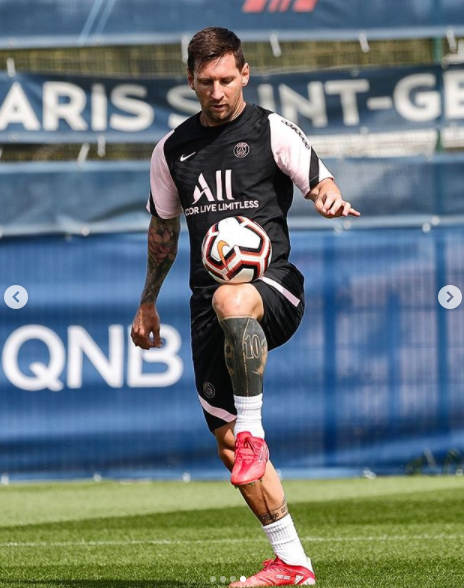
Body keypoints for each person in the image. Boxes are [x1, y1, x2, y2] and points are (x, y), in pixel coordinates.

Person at [131, 26, 360, 587]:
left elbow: (318, 179)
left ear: (245, 74)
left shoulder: (270, 129)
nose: (217, 91)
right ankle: (292, 563)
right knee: (229, 444)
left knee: (235, 295)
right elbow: (163, 232)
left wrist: (328, 196)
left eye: (227, 79)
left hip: (273, 288)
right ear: (190, 80)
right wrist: (148, 304)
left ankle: (256, 431)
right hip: (208, 308)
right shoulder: (172, 150)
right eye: (206, 81)